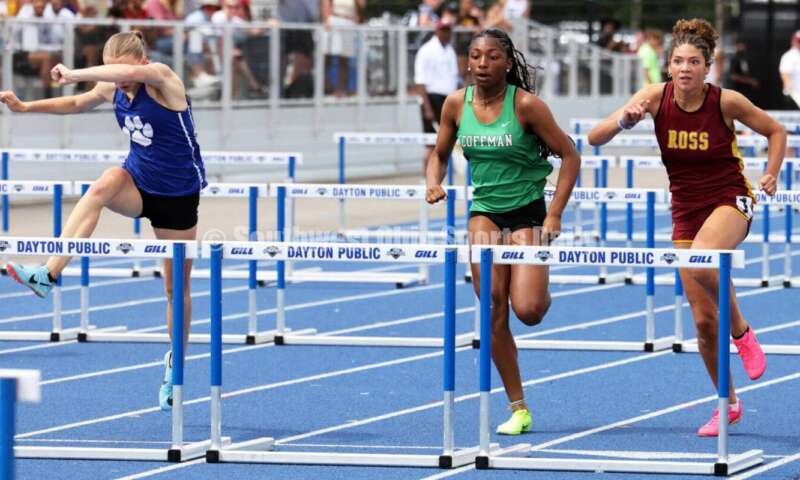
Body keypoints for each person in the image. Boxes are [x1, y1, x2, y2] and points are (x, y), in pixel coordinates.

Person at [588, 18, 786, 437]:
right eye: (678, 61)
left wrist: (771, 172)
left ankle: (743, 333)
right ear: (668, 66)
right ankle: (726, 403)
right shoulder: (654, 99)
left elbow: (776, 130)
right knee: (701, 322)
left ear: (707, 67)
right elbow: (594, 137)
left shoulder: (725, 101)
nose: (684, 69)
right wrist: (624, 120)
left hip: (731, 198)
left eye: (693, 62)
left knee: (701, 263)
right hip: (686, 209)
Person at [0, 31, 207, 412]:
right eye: (114, 78)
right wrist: (26, 108)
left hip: (177, 197)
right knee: (101, 186)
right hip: (138, 182)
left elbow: (116, 73)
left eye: (123, 75)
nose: (119, 83)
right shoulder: (114, 88)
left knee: (174, 287)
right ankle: (48, 274)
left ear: (140, 65)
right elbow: (78, 103)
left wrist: (75, 71)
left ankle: (175, 365)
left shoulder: (163, 78)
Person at [425, 28, 580, 436]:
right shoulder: (456, 104)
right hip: (485, 213)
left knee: (527, 311)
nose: (480, 64)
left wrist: (556, 214)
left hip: (528, 212)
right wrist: (433, 181)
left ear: (508, 63)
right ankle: (518, 407)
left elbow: (570, 155)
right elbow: (439, 154)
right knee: (492, 307)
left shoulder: (527, 106)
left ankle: (540, 287)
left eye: (490, 57)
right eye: (474, 56)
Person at [415, 18, 459, 171]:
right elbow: (420, 82)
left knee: (447, 142)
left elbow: (454, 78)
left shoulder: (450, 50)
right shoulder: (426, 50)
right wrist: (427, 108)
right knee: (431, 143)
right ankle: (426, 178)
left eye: (449, 30)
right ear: (437, 31)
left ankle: (442, 177)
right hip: (432, 99)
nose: (447, 33)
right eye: (444, 30)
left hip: (448, 99)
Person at [779, 31, 800, 108]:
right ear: (793, 41)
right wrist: (788, 90)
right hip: (795, 95)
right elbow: (784, 73)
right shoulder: (789, 56)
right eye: (798, 41)